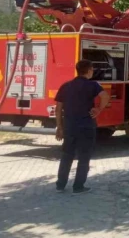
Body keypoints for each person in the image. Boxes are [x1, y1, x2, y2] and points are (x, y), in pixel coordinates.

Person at [55, 59, 110, 194]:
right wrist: (98, 109)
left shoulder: (66, 86)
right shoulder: (93, 85)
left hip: (69, 126)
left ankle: (60, 185)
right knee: (84, 157)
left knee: (67, 156)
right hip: (86, 126)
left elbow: (58, 109)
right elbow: (105, 96)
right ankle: (78, 187)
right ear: (89, 70)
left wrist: (59, 127)